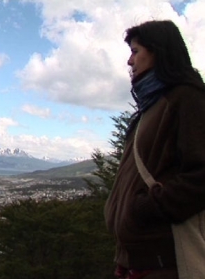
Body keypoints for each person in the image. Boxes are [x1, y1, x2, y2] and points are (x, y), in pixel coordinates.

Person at [104, 20, 205, 279]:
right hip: (137, 257)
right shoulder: (153, 106)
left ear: (158, 51)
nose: (129, 61)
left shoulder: (186, 98)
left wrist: (145, 209)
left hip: (166, 259)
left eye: (135, 51)